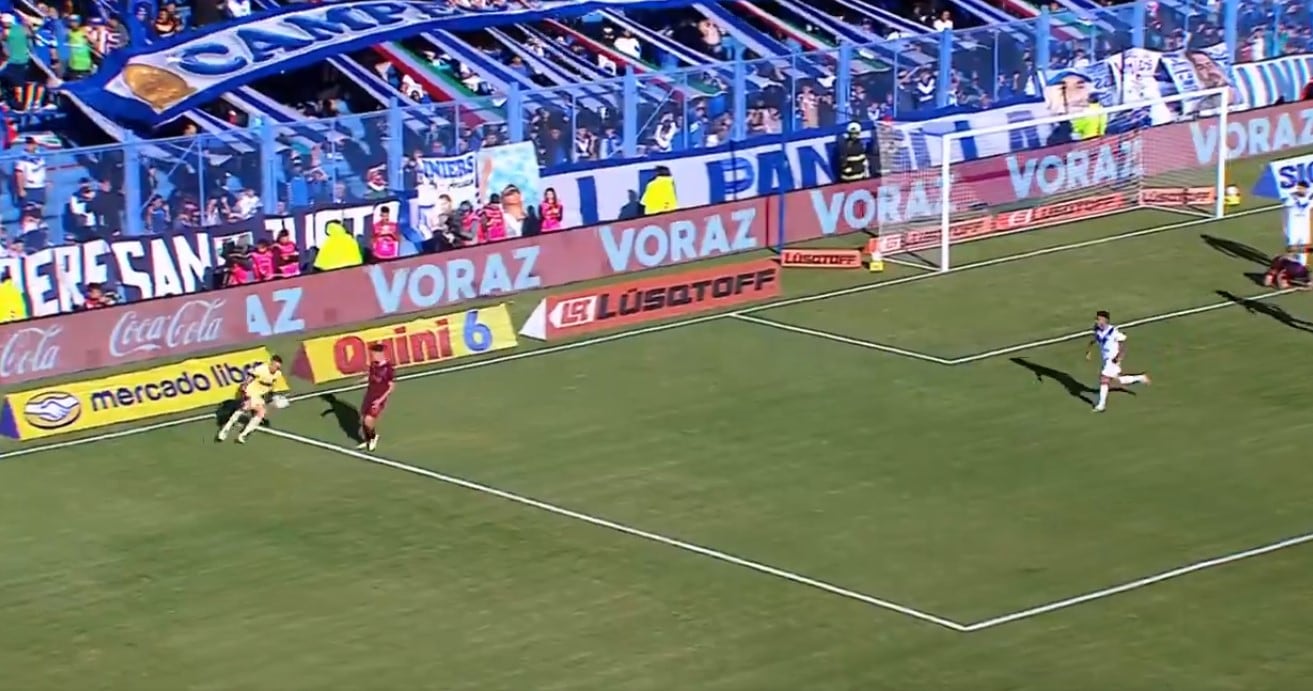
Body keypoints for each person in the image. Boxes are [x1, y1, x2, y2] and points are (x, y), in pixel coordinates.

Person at [1086, 310, 1150, 413]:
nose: (1096, 320)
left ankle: (1101, 405)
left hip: (1113, 360)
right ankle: (1140, 378)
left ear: (1104, 320)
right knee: (1117, 380)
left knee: (1104, 378)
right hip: (1106, 360)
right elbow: (1096, 339)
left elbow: (1123, 344)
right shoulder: (1098, 330)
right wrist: (1089, 350)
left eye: (1098, 319)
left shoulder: (1113, 332)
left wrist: (1119, 356)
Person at [217, 355, 286, 444]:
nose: (276, 369)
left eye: (278, 367)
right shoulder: (261, 369)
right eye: (275, 366)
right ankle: (225, 430)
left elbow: (271, 385)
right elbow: (250, 378)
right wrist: (244, 386)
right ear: (271, 363)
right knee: (245, 409)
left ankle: (243, 434)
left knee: (260, 413)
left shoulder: (277, 374)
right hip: (250, 391)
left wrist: (270, 395)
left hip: (259, 396)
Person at [358, 343, 395, 452]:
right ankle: (368, 439)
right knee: (364, 418)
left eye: (373, 354)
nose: (372, 356)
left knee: (368, 420)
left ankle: (373, 437)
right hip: (369, 395)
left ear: (380, 354)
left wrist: (380, 400)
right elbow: (371, 376)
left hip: (378, 398)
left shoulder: (388, 369)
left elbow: (391, 387)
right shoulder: (373, 365)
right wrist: (362, 380)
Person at [1284, 181, 1312, 266]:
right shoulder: (1291, 198)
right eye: (1299, 188)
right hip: (1293, 227)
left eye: (1302, 188)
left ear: (1307, 189)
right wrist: (1285, 226)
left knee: (1304, 249)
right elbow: (1286, 212)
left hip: (1304, 228)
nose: (1300, 190)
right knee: (1292, 248)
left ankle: (1302, 267)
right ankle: (1287, 267)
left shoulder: (1310, 199)